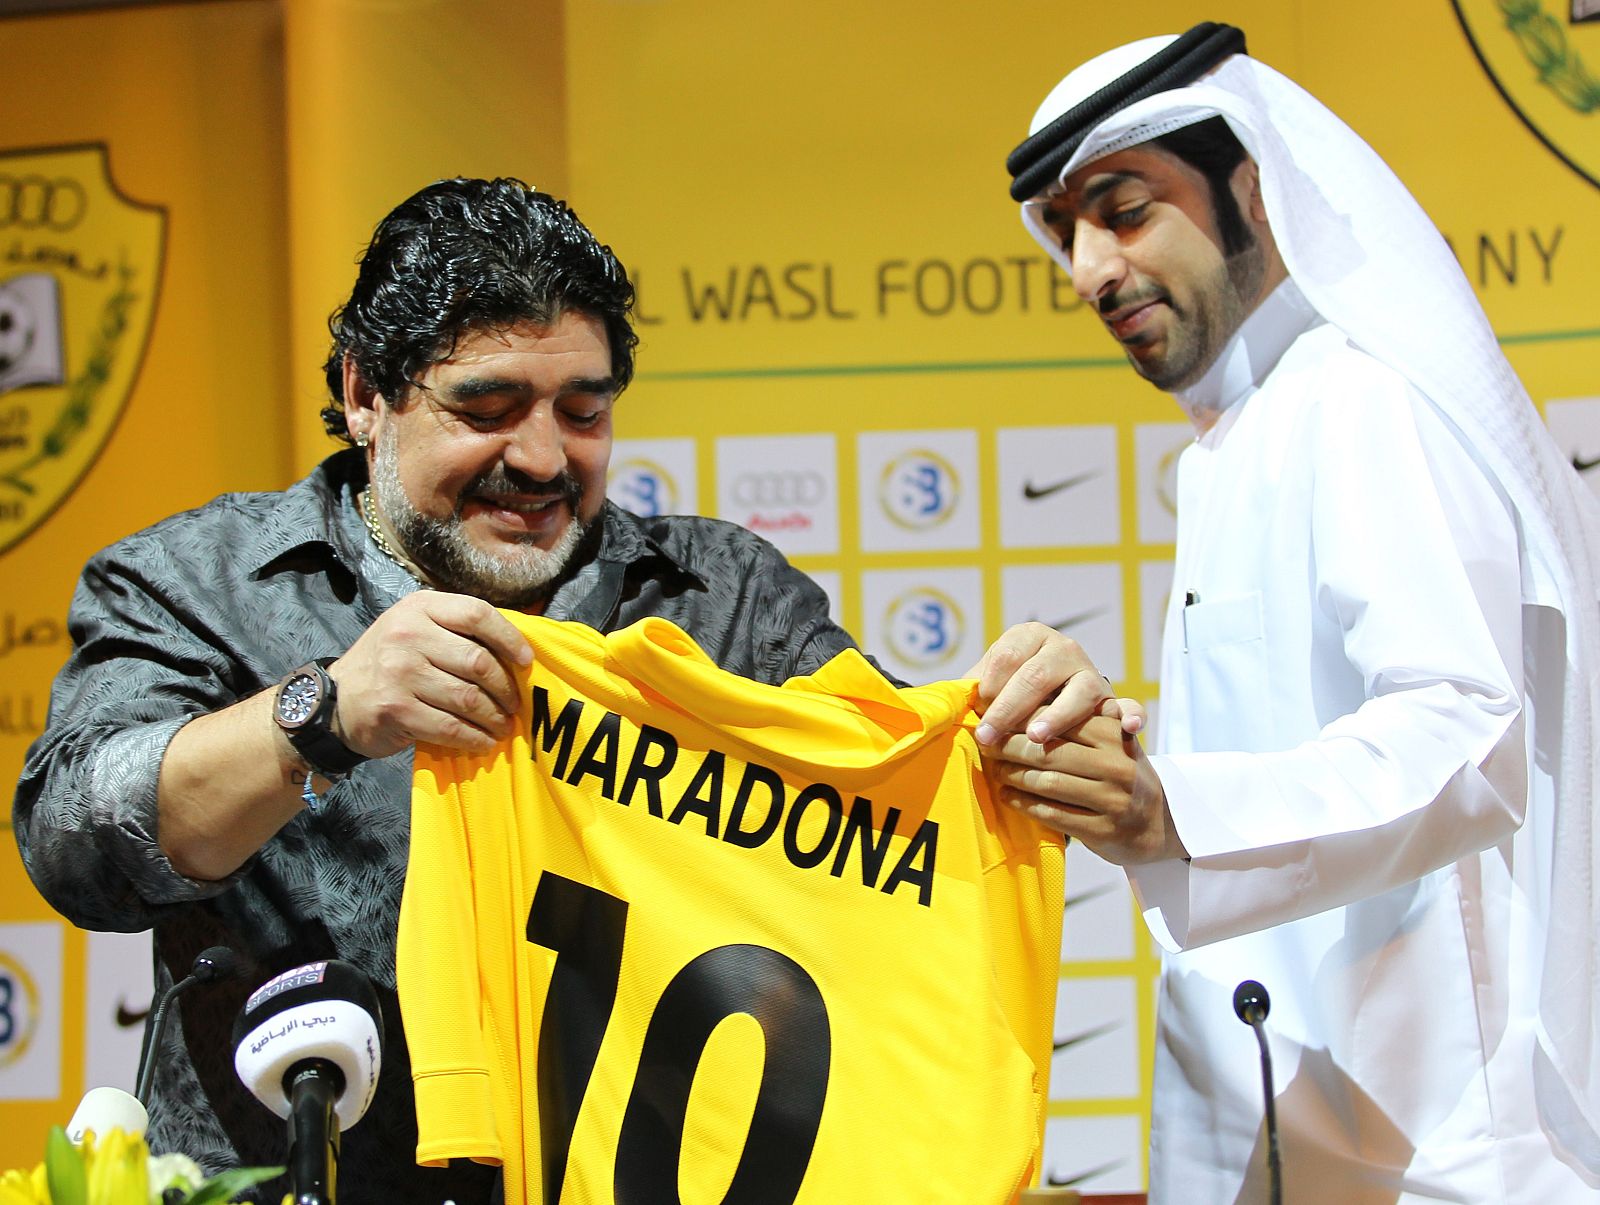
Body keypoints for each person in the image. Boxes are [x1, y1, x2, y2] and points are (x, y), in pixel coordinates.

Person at [13, 177, 1114, 1200]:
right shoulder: (195, 582)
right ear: (364, 394)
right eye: (486, 407)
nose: (542, 457)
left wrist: (1020, 733)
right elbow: (76, 842)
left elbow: (884, 832)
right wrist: (323, 715)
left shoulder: (724, 599)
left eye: (582, 411)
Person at [986, 22, 1600, 1203]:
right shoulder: (1239, 442)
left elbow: (1465, 732)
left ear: (1250, 188)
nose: (1086, 270)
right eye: (1064, 231)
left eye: (1123, 211)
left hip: (1436, 1158)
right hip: (1285, 1132)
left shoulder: (1361, 401)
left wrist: (1175, 809)